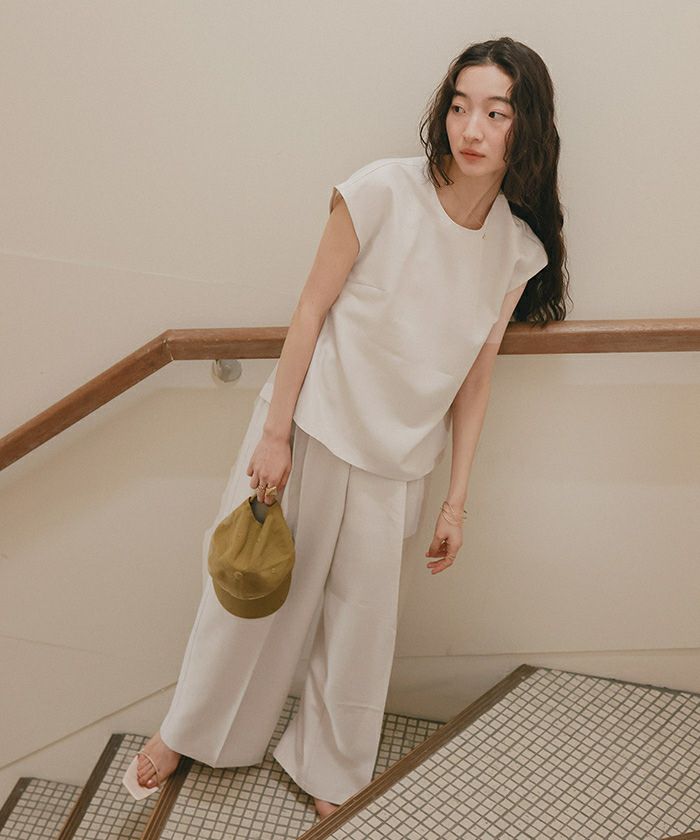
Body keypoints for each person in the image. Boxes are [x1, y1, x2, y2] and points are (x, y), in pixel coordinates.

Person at [123, 36, 570, 820]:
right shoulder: (380, 191)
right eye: (460, 107)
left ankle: (331, 767)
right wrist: (276, 434)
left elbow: (477, 377)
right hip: (315, 426)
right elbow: (310, 309)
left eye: (496, 113)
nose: (471, 129)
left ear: (525, 127)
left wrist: (457, 499)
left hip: (401, 457)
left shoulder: (516, 249)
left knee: (362, 630)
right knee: (252, 594)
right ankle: (186, 732)